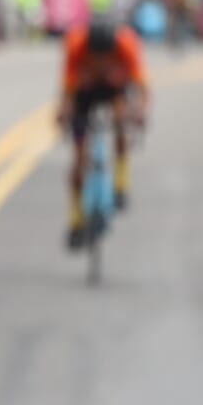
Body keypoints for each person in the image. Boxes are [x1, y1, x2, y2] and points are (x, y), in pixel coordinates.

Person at [57, 15, 149, 250]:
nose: (99, 62)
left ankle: (120, 184)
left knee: (121, 119)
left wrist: (138, 113)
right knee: (78, 158)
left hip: (113, 87)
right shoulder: (75, 45)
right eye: (94, 57)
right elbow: (67, 91)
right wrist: (63, 114)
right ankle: (76, 220)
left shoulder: (126, 45)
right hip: (85, 90)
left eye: (105, 57)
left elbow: (141, 88)